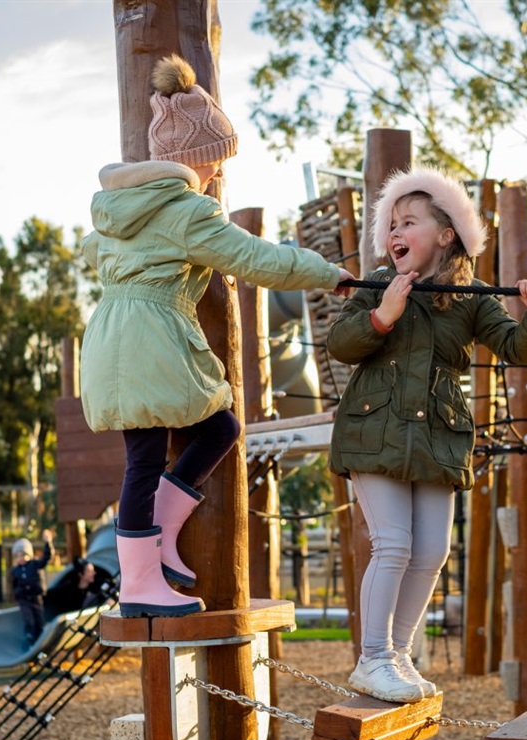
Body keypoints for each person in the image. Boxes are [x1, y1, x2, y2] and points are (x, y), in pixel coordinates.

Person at [79, 54, 353, 619]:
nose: (219, 175)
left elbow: (93, 253)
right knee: (144, 458)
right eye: (217, 163)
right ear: (194, 161)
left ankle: (154, 545)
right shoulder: (185, 210)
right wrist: (327, 273)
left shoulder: (120, 211)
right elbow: (254, 258)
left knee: (218, 426)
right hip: (147, 334)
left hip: (112, 333)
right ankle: (137, 586)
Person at [327, 165, 527, 703]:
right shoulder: (377, 285)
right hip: (375, 430)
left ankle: (400, 655)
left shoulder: (473, 297)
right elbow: (342, 343)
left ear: (446, 233)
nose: (395, 234)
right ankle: (374, 657)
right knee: (392, 544)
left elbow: (515, 348)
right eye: (392, 225)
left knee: (431, 550)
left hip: (438, 434)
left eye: (409, 222)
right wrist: (382, 316)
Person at [10, 529, 55, 645]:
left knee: (39, 619)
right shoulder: (15, 570)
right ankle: (29, 636)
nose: (21, 558)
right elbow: (13, 584)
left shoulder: (34, 565)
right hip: (24, 599)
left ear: (29, 555)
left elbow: (46, 558)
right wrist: (17, 594)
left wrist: (48, 542)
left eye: (24, 555)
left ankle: (40, 638)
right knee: (28, 619)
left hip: (36, 597)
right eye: (18, 556)